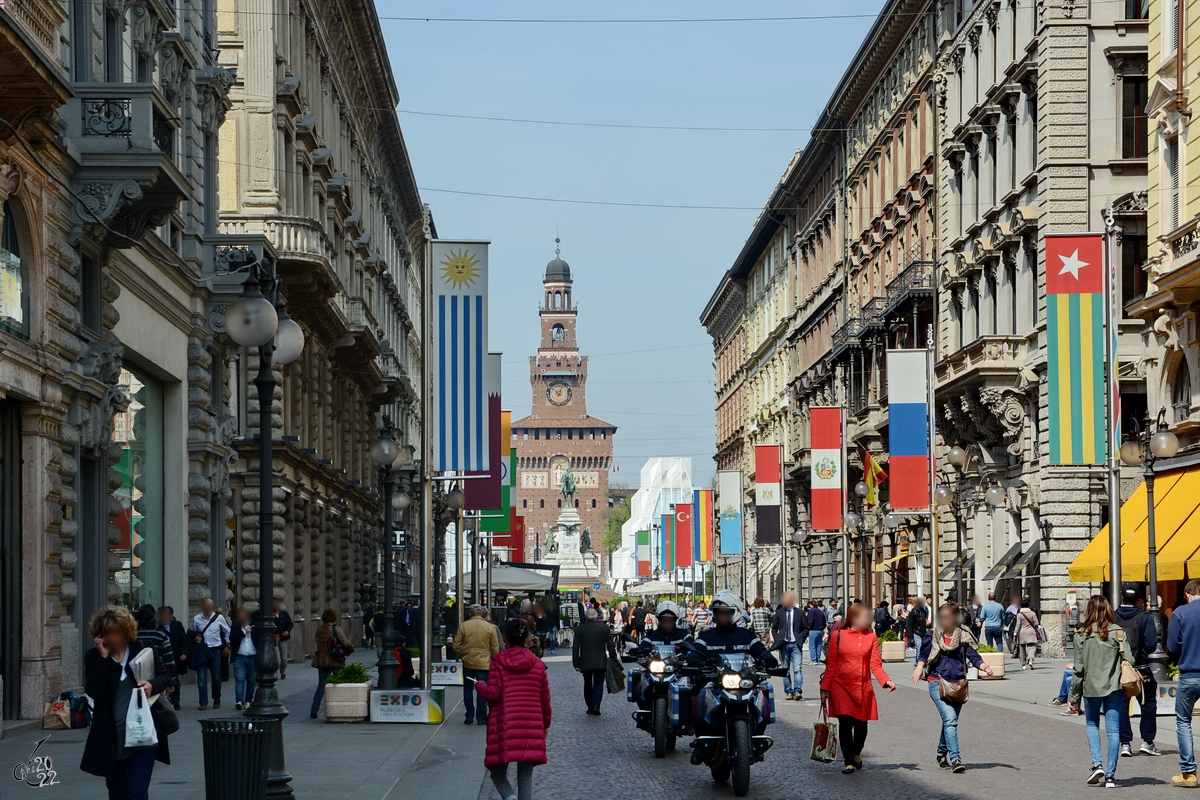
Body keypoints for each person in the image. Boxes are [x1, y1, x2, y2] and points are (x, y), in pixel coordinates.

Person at [80, 605, 172, 800]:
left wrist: (152, 685)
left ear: (126, 631)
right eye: (107, 633)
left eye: (116, 632)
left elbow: (165, 677)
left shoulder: (142, 651)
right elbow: (94, 691)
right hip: (111, 738)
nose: (112, 637)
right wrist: (104, 659)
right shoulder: (94, 657)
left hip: (143, 735)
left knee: (137, 792)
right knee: (117, 793)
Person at [475, 619, 552, 800]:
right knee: (525, 775)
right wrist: (545, 724)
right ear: (527, 639)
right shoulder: (537, 664)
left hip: (505, 723)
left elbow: (493, 694)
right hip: (531, 723)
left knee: (497, 772)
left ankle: (509, 797)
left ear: (505, 639)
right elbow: (545, 699)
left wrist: (480, 685)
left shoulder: (498, 662)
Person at [912, 602, 992, 773]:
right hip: (937, 681)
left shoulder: (963, 636)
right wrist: (919, 667)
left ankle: (941, 754)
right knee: (950, 719)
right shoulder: (933, 635)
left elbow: (973, 656)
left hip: (958, 684)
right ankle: (956, 759)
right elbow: (924, 654)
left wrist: (985, 667)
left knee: (950, 721)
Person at [820, 603, 896, 773]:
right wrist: (825, 688)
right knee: (845, 724)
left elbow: (875, 664)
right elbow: (831, 664)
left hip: (862, 688)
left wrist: (886, 681)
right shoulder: (838, 635)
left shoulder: (870, 637)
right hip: (841, 686)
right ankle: (848, 761)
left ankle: (856, 752)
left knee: (862, 725)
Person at [1071, 594, 1135, 789]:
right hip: (1114, 687)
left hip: (1091, 687)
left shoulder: (1081, 634)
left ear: (1088, 611)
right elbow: (1131, 661)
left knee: (1092, 724)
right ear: (1108, 609)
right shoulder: (1118, 632)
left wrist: (1073, 696)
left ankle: (1097, 764)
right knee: (1114, 730)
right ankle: (1110, 776)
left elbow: (1078, 668)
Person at [1114, 583, 1160, 757]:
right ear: (1138, 597)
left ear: (1122, 596)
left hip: (1121, 667)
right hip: (1141, 667)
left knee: (1121, 704)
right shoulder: (1145, 617)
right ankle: (1147, 741)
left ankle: (1125, 742)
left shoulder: (1114, 616)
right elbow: (1150, 644)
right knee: (1148, 702)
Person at [1168, 578, 1200, 788]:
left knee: (1183, 721)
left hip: (1190, 673)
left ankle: (1189, 773)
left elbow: (1171, 645)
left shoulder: (1181, 612)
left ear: (1187, 594)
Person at [456, 604, 500, 724]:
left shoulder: (464, 626)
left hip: (468, 662)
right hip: (484, 663)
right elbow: (495, 647)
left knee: (467, 689)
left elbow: (456, 644)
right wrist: (493, 659)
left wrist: (462, 655)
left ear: (470, 614)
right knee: (483, 689)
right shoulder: (489, 627)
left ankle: (469, 715)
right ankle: (481, 717)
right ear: (481, 613)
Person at [572, 607, 617, 715]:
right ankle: (596, 705)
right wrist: (613, 658)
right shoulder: (604, 628)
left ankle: (590, 706)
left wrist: (576, 663)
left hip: (585, 661)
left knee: (587, 684)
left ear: (585, 617)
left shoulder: (580, 629)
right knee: (598, 684)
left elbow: (575, 648)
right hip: (600, 661)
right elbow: (610, 645)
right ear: (597, 617)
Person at [310, 608, 354, 719]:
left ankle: (314, 710)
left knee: (321, 685)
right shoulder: (335, 628)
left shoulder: (319, 630)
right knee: (340, 683)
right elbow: (345, 642)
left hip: (321, 661)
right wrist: (351, 650)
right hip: (336, 659)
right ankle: (341, 707)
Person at [134, 605, 177, 712]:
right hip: (156, 679)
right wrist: (170, 682)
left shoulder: (132, 637)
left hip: (135, 679)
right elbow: (169, 662)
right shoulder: (160, 636)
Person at [190, 597, 230, 710]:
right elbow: (194, 632)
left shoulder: (219, 618)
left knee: (216, 677)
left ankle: (217, 698)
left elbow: (227, 630)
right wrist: (195, 638)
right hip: (202, 650)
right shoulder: (197, 619)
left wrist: (228, 645)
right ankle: (203, 702)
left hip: (215, 650)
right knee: (202, 678)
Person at [771, 591, 808, 701]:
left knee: (797, 669)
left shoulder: (799, 613)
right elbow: (774, 628)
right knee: (785, 669)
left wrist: (801, 638)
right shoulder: (779, 613)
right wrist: (778, 639)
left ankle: (797, 691)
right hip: (784, 644)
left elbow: (805, 628)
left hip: (795, 644)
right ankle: (788, 691)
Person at [157, 606, 187, 710]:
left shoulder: (177, 625)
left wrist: (183, 652)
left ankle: (175, 700)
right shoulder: (157, 627)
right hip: (162, 658)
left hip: (174, 655)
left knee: (175, 679)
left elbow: (183, 639)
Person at [229, 608, 256, 711]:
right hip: (239, 657)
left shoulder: (255, 625)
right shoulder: (235, 627)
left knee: (251, 680)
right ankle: (239, 701)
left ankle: (249, 701)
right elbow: (232, 638)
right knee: (239, 679)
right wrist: (244, 631)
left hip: (252, 657)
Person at [1013, 596, 1041, 669]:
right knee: (1032, 647)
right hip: (1031, 631)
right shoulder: (1032, 613)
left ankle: (1023, 664)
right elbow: (1037, 623)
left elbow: (1018, 625)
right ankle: (1031, 660)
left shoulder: (1019, 615)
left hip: (1022, 632)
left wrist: (1015, 634)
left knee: (1022, 648)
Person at [271, 599, 293, 680]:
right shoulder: (269, 615)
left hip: (283, 638)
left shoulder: (284, 614)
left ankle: (283, 671)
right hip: (274, 638)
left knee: (284, 657)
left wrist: (287, 631)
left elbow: (290, 623)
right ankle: (275, 673)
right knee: (277, 658)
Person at [907, 596, 929, 665]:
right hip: (916, 633)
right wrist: (911, 637)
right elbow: (909, 625)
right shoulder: (913, 612)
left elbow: (925, 619)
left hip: (923, 633)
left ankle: (920, 663)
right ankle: (918, 664)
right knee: (919, 648)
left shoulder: (923, 611)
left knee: (923, 649)